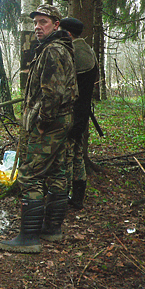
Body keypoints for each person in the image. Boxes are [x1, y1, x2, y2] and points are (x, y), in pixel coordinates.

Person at [0, 4, 78, 254]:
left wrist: (42, 122)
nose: (37, 27)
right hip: (62, 121)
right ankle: (52, 229)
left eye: (43, 22)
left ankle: (29, 237)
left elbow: (52, 93)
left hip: (50, 123)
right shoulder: (57, 48)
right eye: (35, 23)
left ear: (56, 25)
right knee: (56, 171)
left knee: (30, 174)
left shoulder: (53, 50)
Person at [60, 17, 98, 210]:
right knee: (77, 156)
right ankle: (77, 198)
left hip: (73, 113)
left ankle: (62, 198)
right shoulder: (88, 50)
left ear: (68, 34)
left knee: (67, 157)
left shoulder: (74, 53)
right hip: (81, 113)